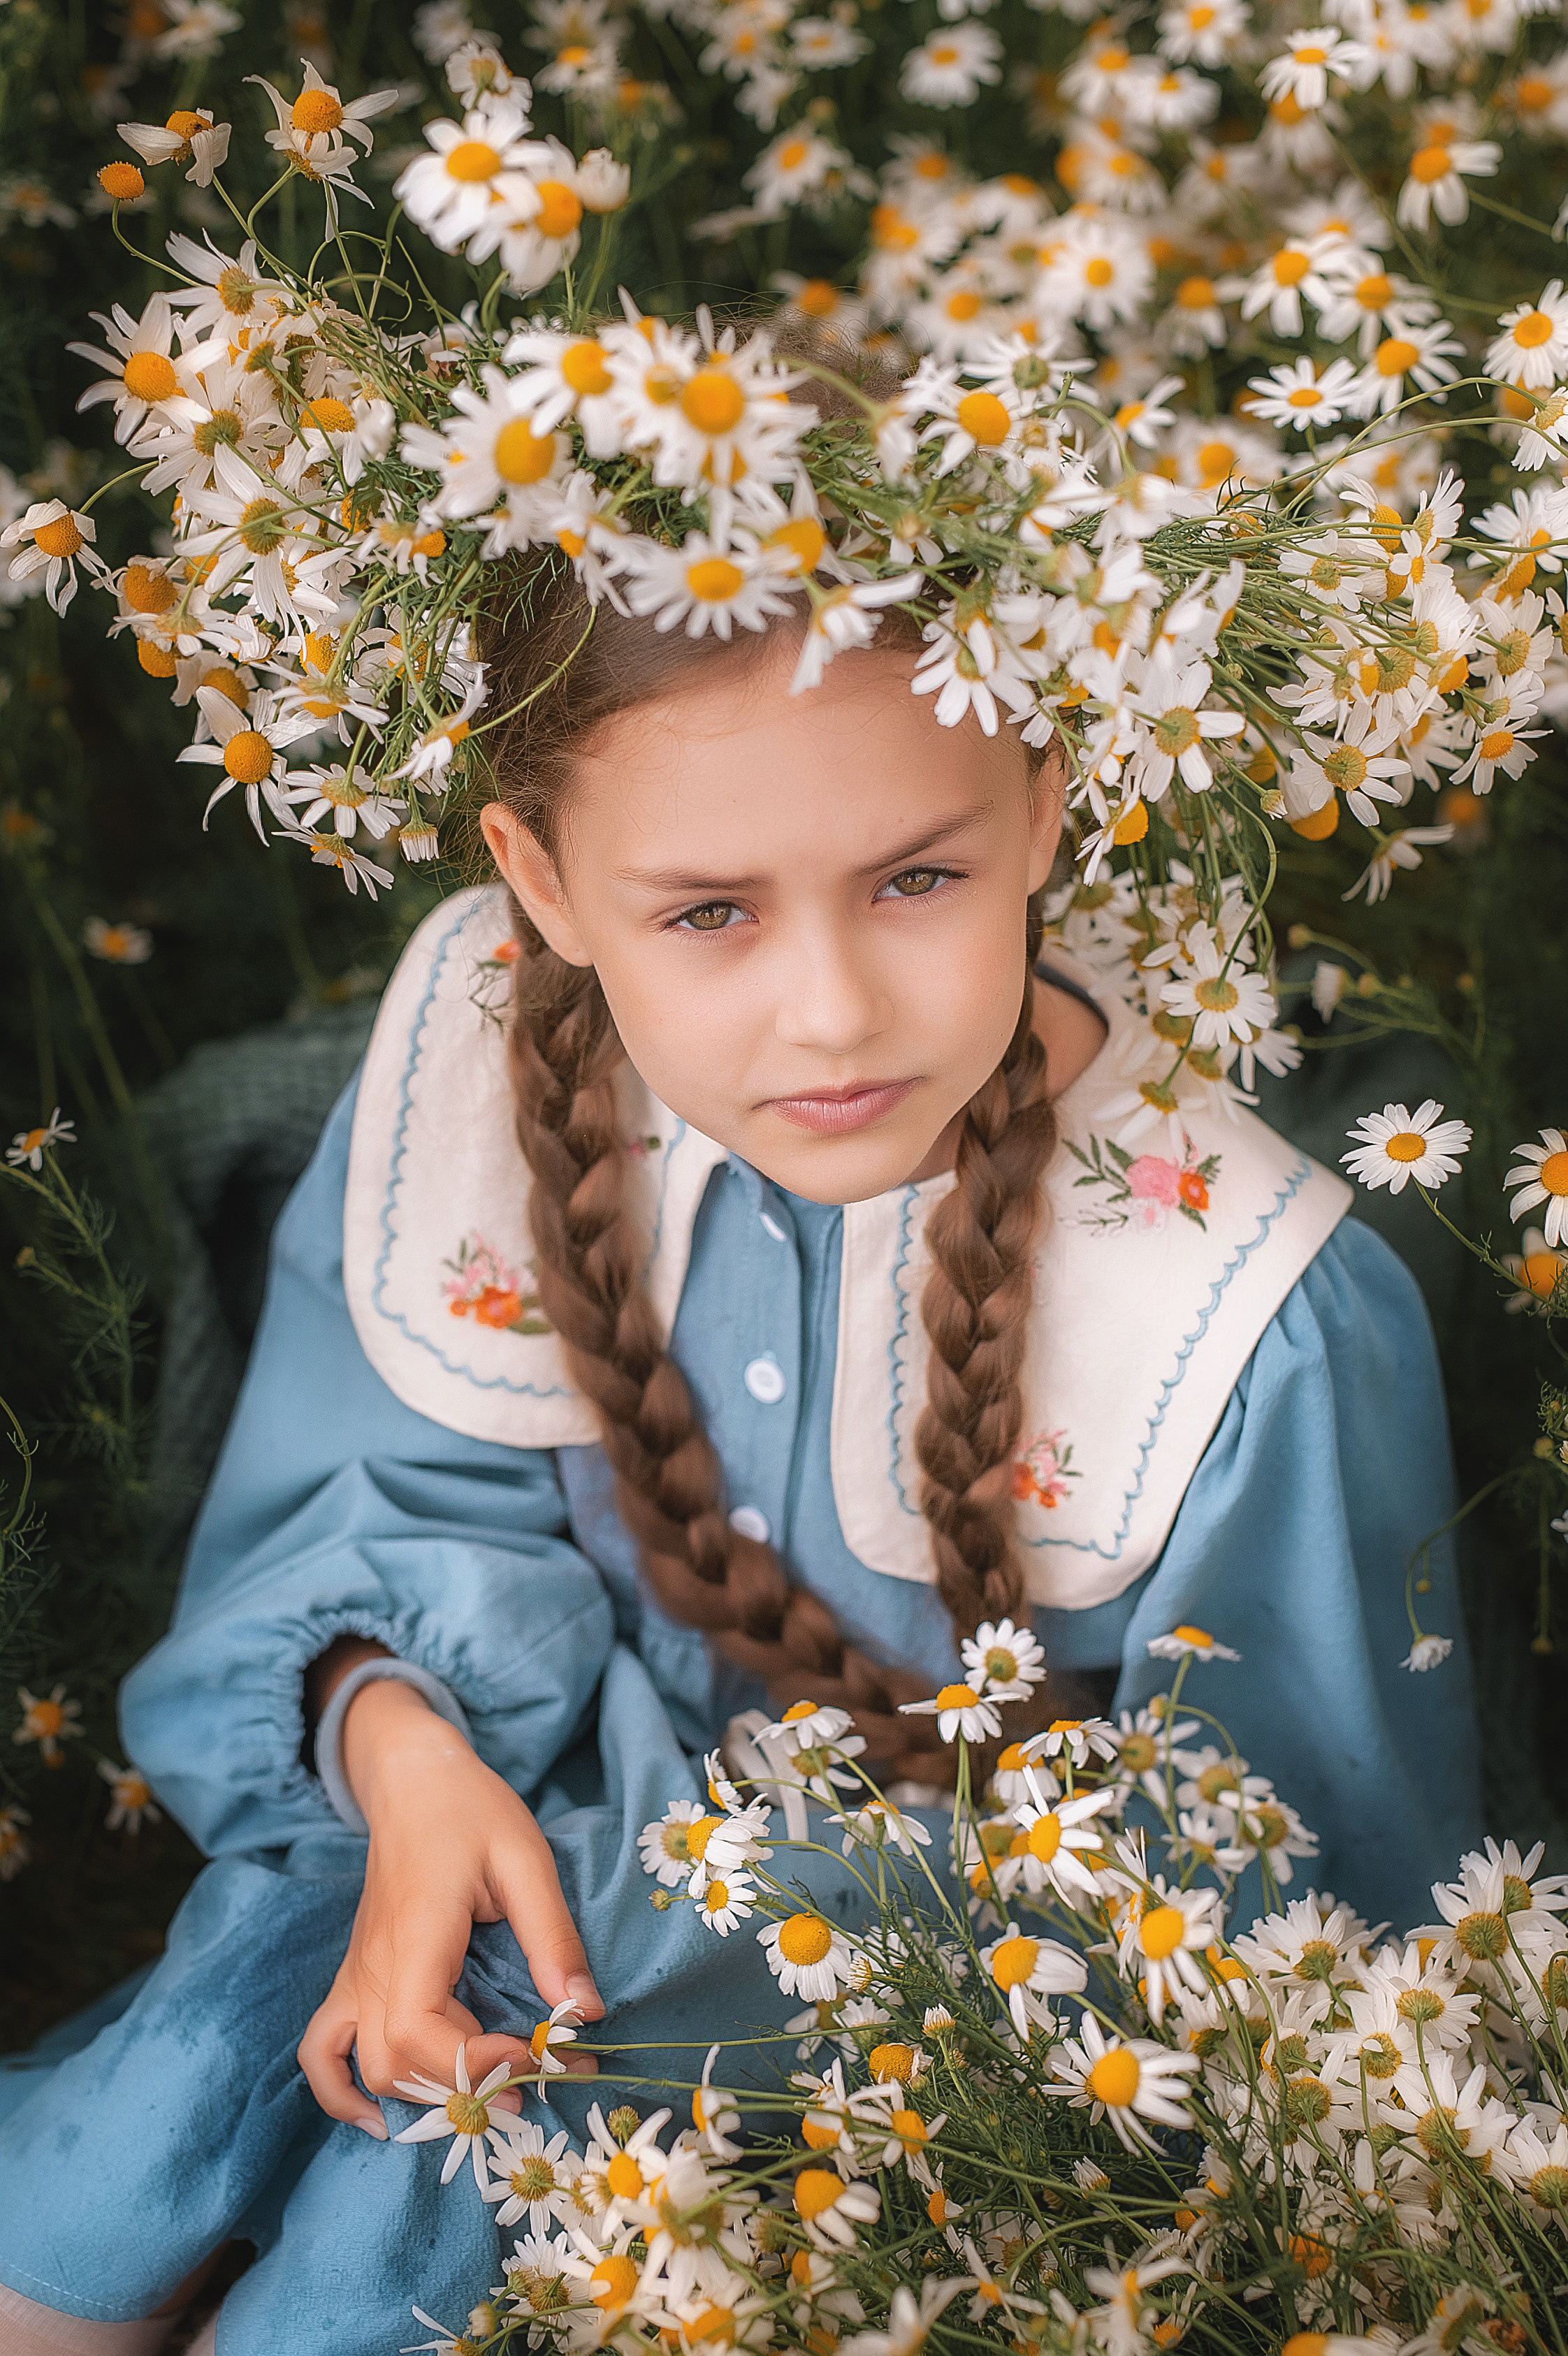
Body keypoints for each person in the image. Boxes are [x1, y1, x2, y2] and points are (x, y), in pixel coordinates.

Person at [0, 564, 1481, 2355]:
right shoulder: (491, 1053)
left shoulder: (1251, 1309)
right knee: (167, 2107)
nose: (834, 1013)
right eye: (708, 910)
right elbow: (377, 1495)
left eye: (919, 877)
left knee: (396, 2208)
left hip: (909, 2087)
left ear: (1048, 814)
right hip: (436, 1888)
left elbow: (1298, 1911)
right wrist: (405, 1767)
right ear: (541, 881)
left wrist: (640, 1948)